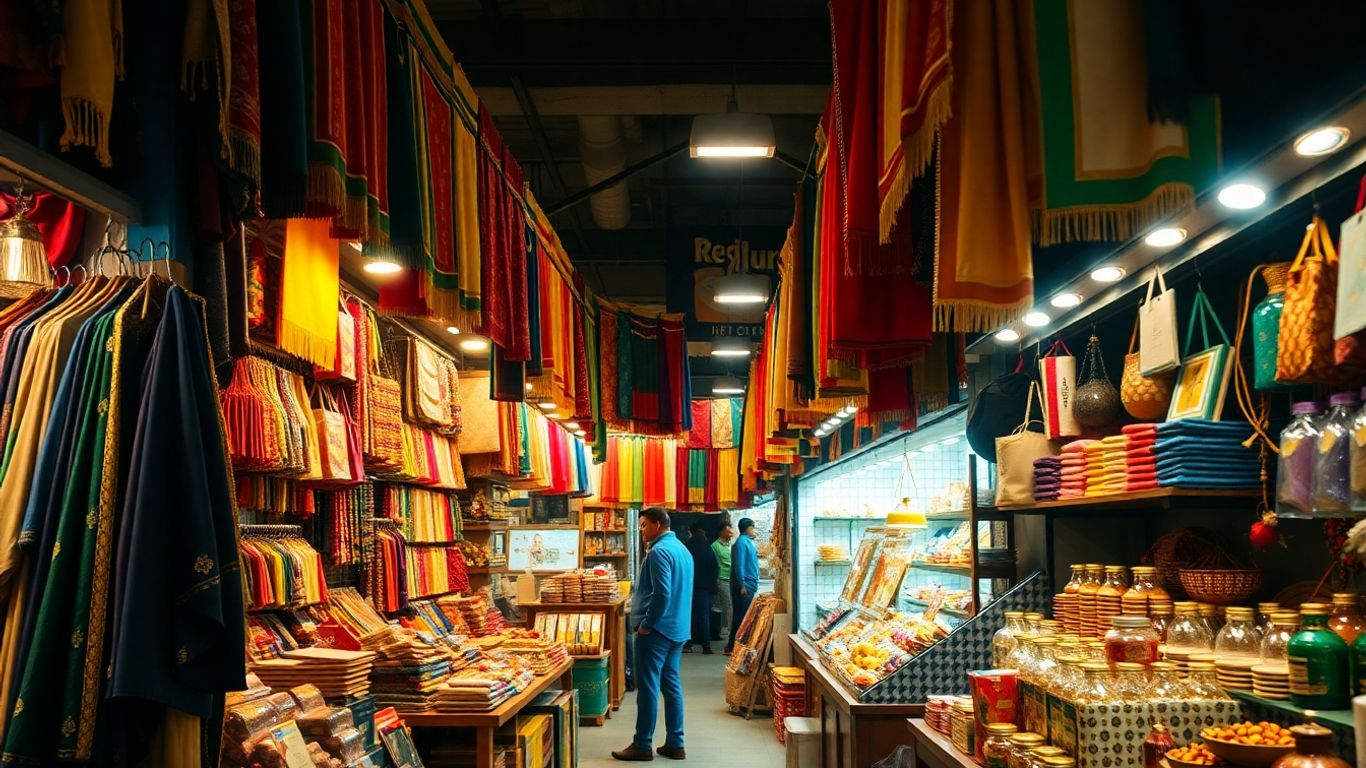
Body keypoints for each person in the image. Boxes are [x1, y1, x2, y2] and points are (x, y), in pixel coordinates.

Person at [614, 508, 693, 762]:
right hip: (677, 629)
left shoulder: (659, 552)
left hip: (657, 631)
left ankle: (642, 743)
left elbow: (663, 593)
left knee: (647, 687)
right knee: (671, 686)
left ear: (658, 524)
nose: (642, 530)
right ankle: (675, 743)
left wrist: (647, 623)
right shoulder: (682, 550)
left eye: (644, 524)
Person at [683, 522, 718, 654]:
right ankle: (706, 645)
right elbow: (714, 567)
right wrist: (713, 584)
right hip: (705, 588)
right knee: (704, 615)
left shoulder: (687, 546)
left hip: (689, 587)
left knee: (689, 615)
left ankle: (688, 643)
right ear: (699, 531)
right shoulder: (707, 547)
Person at [727, 517, 760, 654]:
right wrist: (742, 585)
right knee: (740, 616)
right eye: (753, 528)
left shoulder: (747, 542)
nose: (755, 531)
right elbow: (739, 566)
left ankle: (736, 645)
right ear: (746, 528)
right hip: (744, 585)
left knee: (743, 615)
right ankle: (732, 645)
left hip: (749, 583)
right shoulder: (741, 543)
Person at [711, 523, 734, 644]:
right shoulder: (715, 546)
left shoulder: (731, 544)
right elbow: (713, 565)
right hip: (721, 579)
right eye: (728, 529)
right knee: (727, 607)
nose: (731, 531)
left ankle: (731, 632)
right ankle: (730, 634)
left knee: (729, 607)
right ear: (722, 532)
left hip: (731, 579)